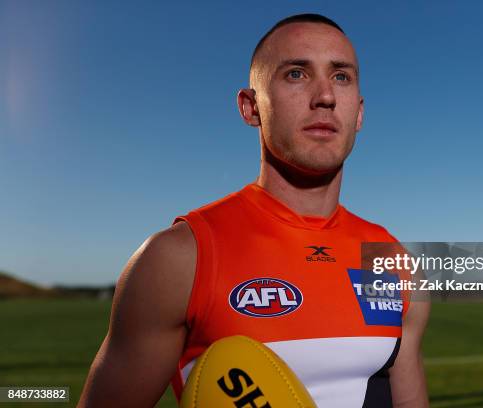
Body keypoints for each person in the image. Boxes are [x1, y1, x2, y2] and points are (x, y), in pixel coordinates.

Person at [78, 13, 430, 408]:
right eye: (296, 74)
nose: (325, 96)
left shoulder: (390, 260)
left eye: (341, 76)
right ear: (250, 108)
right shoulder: (180, 257)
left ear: (359, 113)